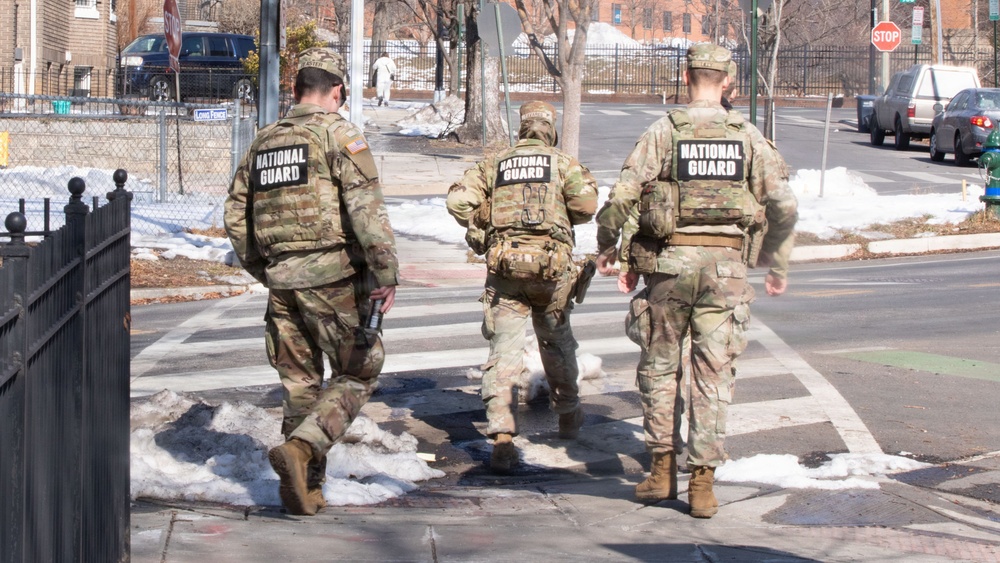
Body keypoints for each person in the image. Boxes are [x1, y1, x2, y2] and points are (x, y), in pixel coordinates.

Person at [594, 43, 798, 518]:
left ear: (687, 77)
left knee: (661, 368)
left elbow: (622, 197)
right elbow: (784, 206)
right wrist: (776, 260)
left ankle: (661, 473)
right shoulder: (748, 136)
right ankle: (702, 486)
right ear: (728, 81)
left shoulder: (663, 132)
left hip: (669, 266)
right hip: (726, 271)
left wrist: (611, 250)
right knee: (713, 373)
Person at [224, 47, 398, 516]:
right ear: (336, 92)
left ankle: (304, 489)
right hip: (333, 277)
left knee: (300, 383)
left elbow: (235, 216)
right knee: (360, 369)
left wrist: (265, 268)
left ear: (296, 90)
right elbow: (366, 209)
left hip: (282, 280)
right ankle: (301, 452)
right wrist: (386, 274)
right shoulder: (339, 133)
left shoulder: (263, 141)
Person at [446, 101, 599, 474]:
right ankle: (568, 416)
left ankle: (502, 437)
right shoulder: (562, 162)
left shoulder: (496, 163)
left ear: (522, 128)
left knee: (504, 351)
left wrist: (487, 215)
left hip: (505, 272)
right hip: (552, 273)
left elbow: (457, 201)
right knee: (556, 341)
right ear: (550, 130)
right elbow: (587, 205)